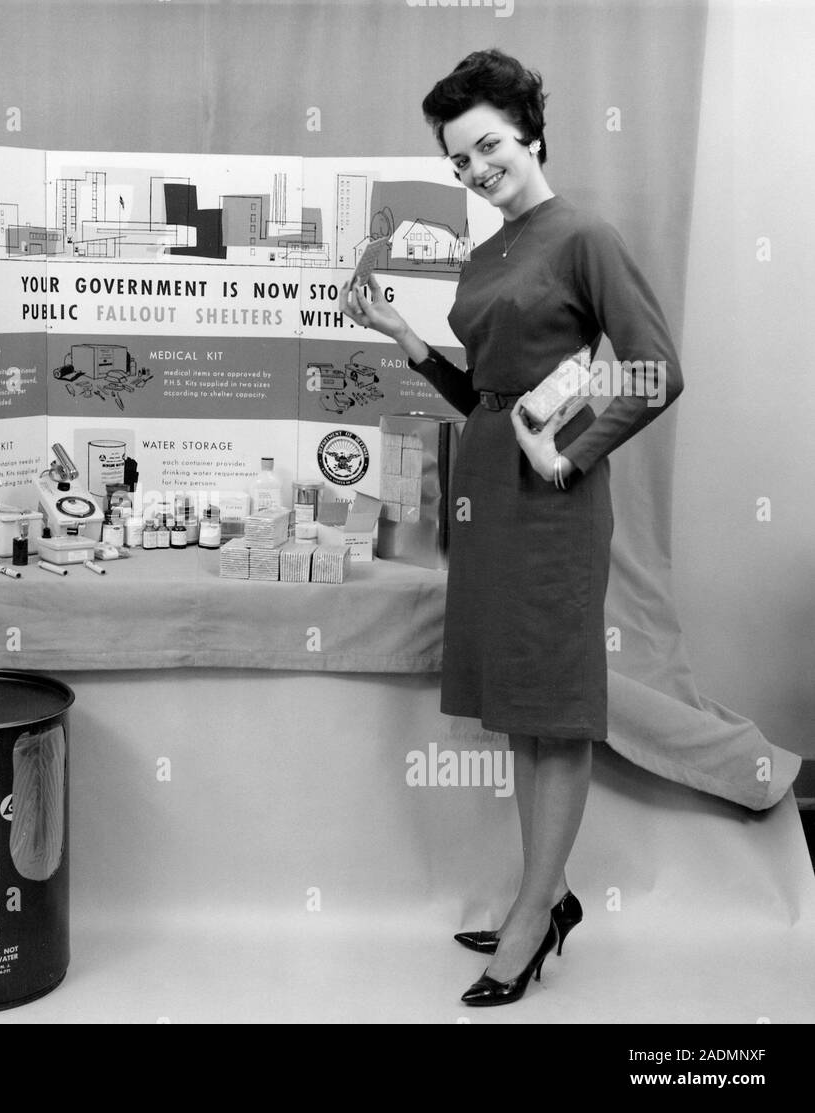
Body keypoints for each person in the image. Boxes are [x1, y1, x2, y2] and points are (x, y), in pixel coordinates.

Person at [342, 48, 683, 1006]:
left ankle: (533, 916)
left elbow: (657, 369)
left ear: (531, 132)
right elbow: (487, 396)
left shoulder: (584, 235)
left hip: (554, 497)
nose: (475, 169)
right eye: (459, 159)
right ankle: (550, 891)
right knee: (520, 704)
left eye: (487, 145)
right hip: (488, 489)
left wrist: (572, 454)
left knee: (556, 702)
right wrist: (406, 339)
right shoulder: (488, 248)